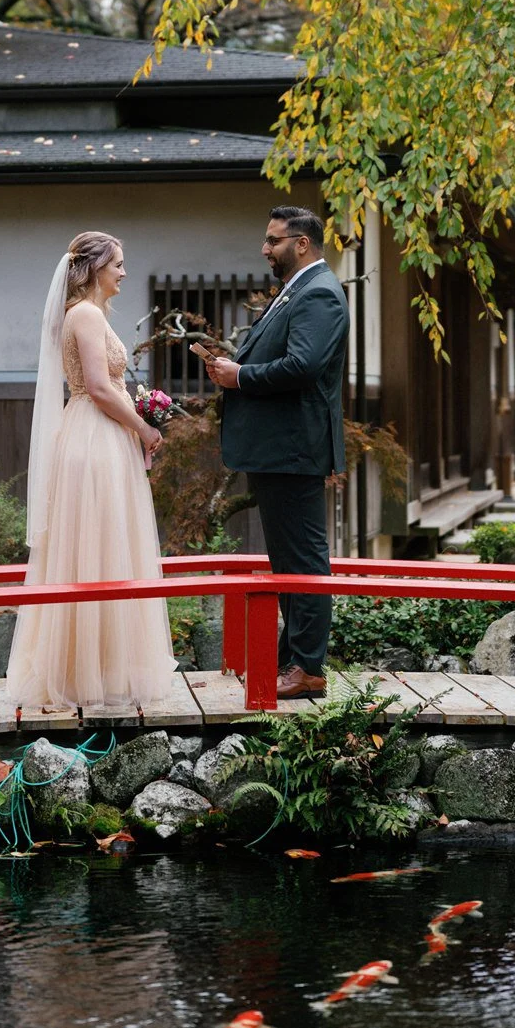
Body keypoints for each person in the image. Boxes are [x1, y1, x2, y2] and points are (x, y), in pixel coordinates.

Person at [5, 230, 176, 709]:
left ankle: (100, 666)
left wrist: (139, 415)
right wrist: (143, 429)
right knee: (94, 548)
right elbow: (100, 388)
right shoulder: (83, 313)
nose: (124, 272)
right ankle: (81, 675)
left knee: (106, 546)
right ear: (96, 267)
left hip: (102, 432)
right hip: (93, 435)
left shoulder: (93, 314)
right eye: (118, 263)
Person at [192, 206, 349, 698]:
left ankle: (307, 668)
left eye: (273, 240)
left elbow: (303, 365)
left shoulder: (320, 292)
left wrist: (241, 376)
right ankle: (291, 660)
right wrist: (232, 367)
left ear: (302, 243)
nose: (265, 249)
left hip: (293, 447)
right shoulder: (296, 290)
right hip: (277, 448)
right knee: (288, 558)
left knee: (303, 558)